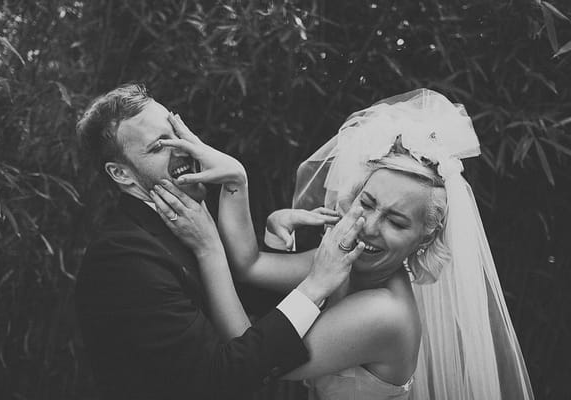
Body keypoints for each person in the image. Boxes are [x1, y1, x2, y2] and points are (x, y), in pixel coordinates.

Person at [152, 89, 534, 399]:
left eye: (397, 221)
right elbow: (250, 265)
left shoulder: (385, 314)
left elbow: (248, 358)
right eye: (366, 203)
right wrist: (237, 181)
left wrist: (206, 248)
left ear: (425, 237)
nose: (369, 225)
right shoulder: (345, 261)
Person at [73, 83, 365, 400]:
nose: (181, 148)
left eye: (176, 133)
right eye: (159, 146)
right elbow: (221, 378)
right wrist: (317, 284)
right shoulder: (120, 258)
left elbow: (260, 308)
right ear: (121, 174)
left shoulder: (189, 217)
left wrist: (242, 188)